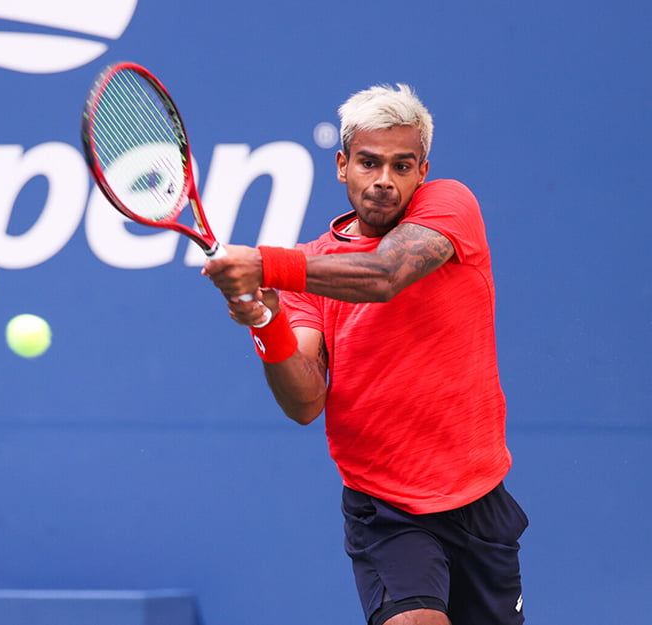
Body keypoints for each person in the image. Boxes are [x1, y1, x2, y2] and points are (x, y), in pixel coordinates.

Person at [202, 84, 527, 625]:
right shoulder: (311, 268)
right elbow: (305, 401)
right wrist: (265, 321)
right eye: (369, 162)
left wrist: (262, 263)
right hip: (386, 508)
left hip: (477, 495)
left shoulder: (451, 205)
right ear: (341, 165)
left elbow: (386, 274)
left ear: (422, 170)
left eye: (402, 166)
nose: (383, 181)